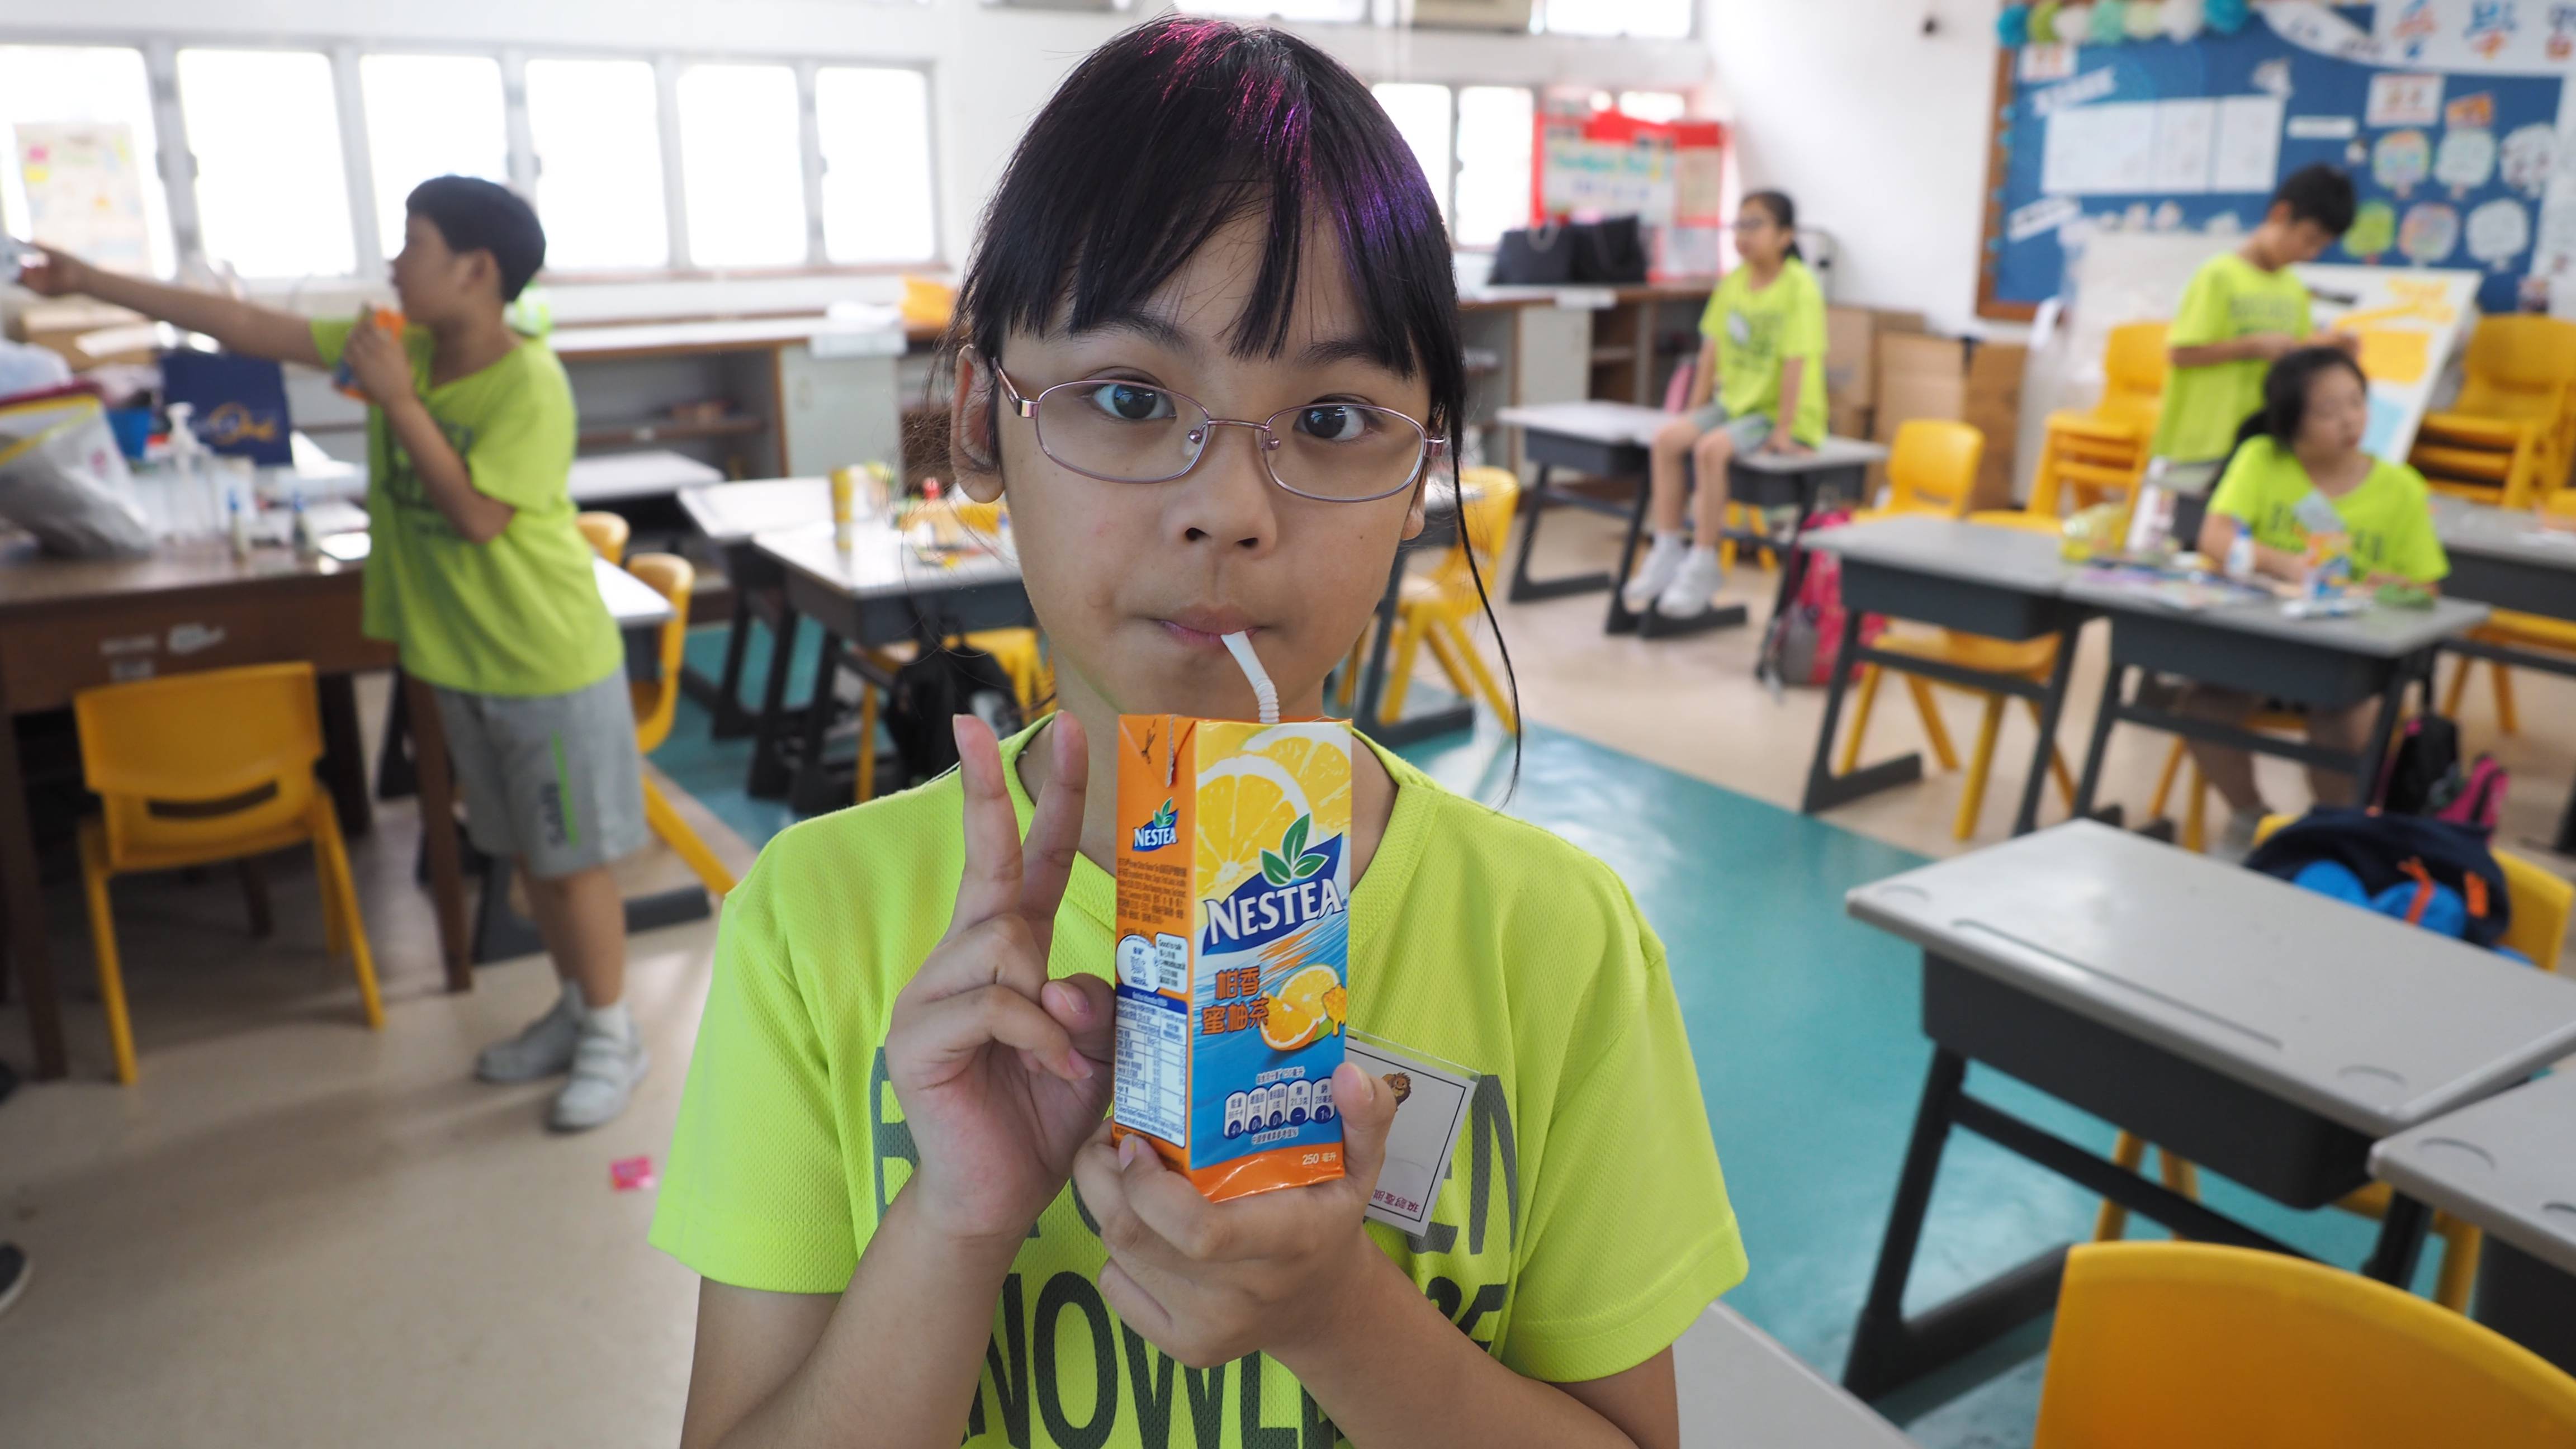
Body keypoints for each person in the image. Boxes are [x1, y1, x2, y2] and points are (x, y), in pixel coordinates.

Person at [651, 20, 1745, 1449]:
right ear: (979, 420)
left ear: (1425, 474)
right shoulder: (817, 924)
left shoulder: (1558, 944)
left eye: (1334, 418)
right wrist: (956, 1220)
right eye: (1128, 398)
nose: (1229, 508)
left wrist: (1336, 1315)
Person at [19, 179, 652, 1131]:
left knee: (570, 866)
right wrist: (89, 281)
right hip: (464, 659)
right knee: (527, 856)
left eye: (413, 243)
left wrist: (397, 401)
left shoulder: (527, 382)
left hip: (544, 662)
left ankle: (613, 1033)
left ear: (476, 271)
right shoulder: (403, 346)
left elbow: (479, 518)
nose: (393, 262)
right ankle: (577, 1009)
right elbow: (245, 326)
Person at [2185, 347, 2448, 862]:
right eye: (2328, 411)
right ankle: (2249, 818)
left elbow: (2428, 589)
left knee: (2341, 724)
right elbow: (2214, 537)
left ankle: (2330, 839)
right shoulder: (2262, 459)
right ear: (2291, 422)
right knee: (2202, 708)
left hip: (2347, 662)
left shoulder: (2400, 489)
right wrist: (2285, 564)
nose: (2349, 421)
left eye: (2357, 403)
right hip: (2260, 646)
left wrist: (2390, 586)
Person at [1622, 190, 1826, 619]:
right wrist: (1693, 412)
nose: (1744, 234)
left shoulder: (1799, 286)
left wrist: (1785, 430)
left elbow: (1797, 363)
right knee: (1667, 439)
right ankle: (1667, 548)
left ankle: (1704, 562)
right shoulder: (1733, 282)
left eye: (1756, 224)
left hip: (1774, 413)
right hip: (1733, 406)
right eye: (1740, 224)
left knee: (1710, 450)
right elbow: (1710, 353)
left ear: (1785, 235)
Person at [2145, 163, 2359, 537]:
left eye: (2321, 246)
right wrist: (2252, 346)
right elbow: (2180, 353)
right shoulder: (2219, 275)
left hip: (2263, 439)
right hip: (2203, 440)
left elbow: (2295, 359)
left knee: (2241, 537)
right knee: (2188, 534)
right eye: (2308, 239)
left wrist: (2331, 351)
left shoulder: (2293, 289)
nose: (2311, 253)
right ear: (2281, 215)